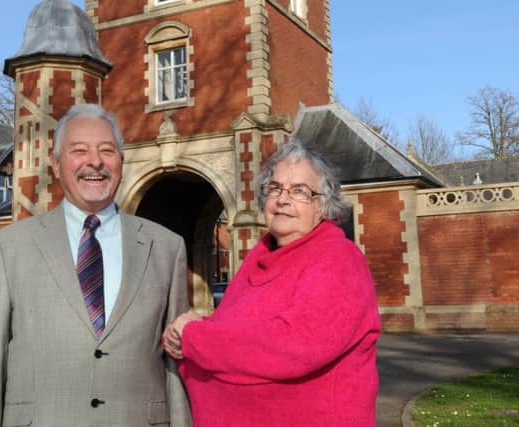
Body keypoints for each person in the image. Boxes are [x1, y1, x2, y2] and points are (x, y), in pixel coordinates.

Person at [0, 103, 191, 427]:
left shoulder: (167, 247)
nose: (95, 162)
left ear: (122, 162)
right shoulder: (9, 247)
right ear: (56, 165)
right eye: (79, 150)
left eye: (107, 150)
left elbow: (175, 365)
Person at [163, 139, 381, 426]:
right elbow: (234, 329)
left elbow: (296, 344)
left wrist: (194, 337)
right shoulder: (260, 256)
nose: (283, 199)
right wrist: (182, 338)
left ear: (323, 206)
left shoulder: (339, 258)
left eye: (300, 191)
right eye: (275, 188)